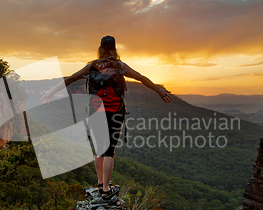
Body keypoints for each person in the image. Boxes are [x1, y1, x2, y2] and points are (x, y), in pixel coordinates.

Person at [41, 35, 171, 201]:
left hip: (95, 112)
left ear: (100, 49)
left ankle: (100, 183)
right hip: (115, 111)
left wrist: (52, 91)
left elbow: (71, 78)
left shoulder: (93, 66)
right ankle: (106, 190)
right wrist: (159, 90)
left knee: (99, 149)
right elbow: (141, 78)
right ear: (114, 49)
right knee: (109, 151)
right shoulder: (120, 66)